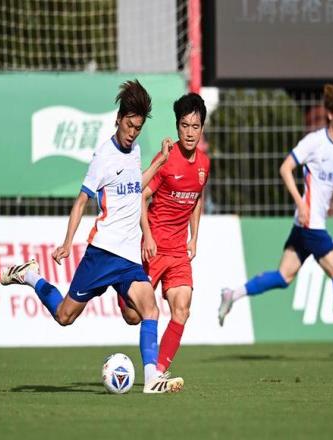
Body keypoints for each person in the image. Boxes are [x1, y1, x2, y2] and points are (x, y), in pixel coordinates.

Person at [0, 79, 183, 393]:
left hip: (128, 257)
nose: (133, 132)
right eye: (129, 125)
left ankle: (152, 378)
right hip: (103, 253)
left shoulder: (135, 151)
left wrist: (160, 163)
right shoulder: (103, 157)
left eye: (138, 128)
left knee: (149, 311)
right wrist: (67, 243)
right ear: (118, 119)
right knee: (65, 316)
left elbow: (134, 188)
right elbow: (81, 200)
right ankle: (30, 276)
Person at [218, 84, 333, 358]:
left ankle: (232, 294)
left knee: (284, 276)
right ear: (330, 114)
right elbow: (285, 168)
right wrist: (301, 203)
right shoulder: (314, 141)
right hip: (311, 224)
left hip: (306, 224)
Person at [119, 92, 209, 377]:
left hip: (179, 252)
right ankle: (121, 287)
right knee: (133, 316)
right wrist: (147, 235)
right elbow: (140, 196)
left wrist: (194, 237)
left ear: (202, 128)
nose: (190, 133)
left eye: (195, 127)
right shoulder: (166, 159)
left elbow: (196, 198)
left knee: (182, 309)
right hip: (154, 248)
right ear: (177, 126)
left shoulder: (205, 164)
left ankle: (157, 372)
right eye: (185, 126)